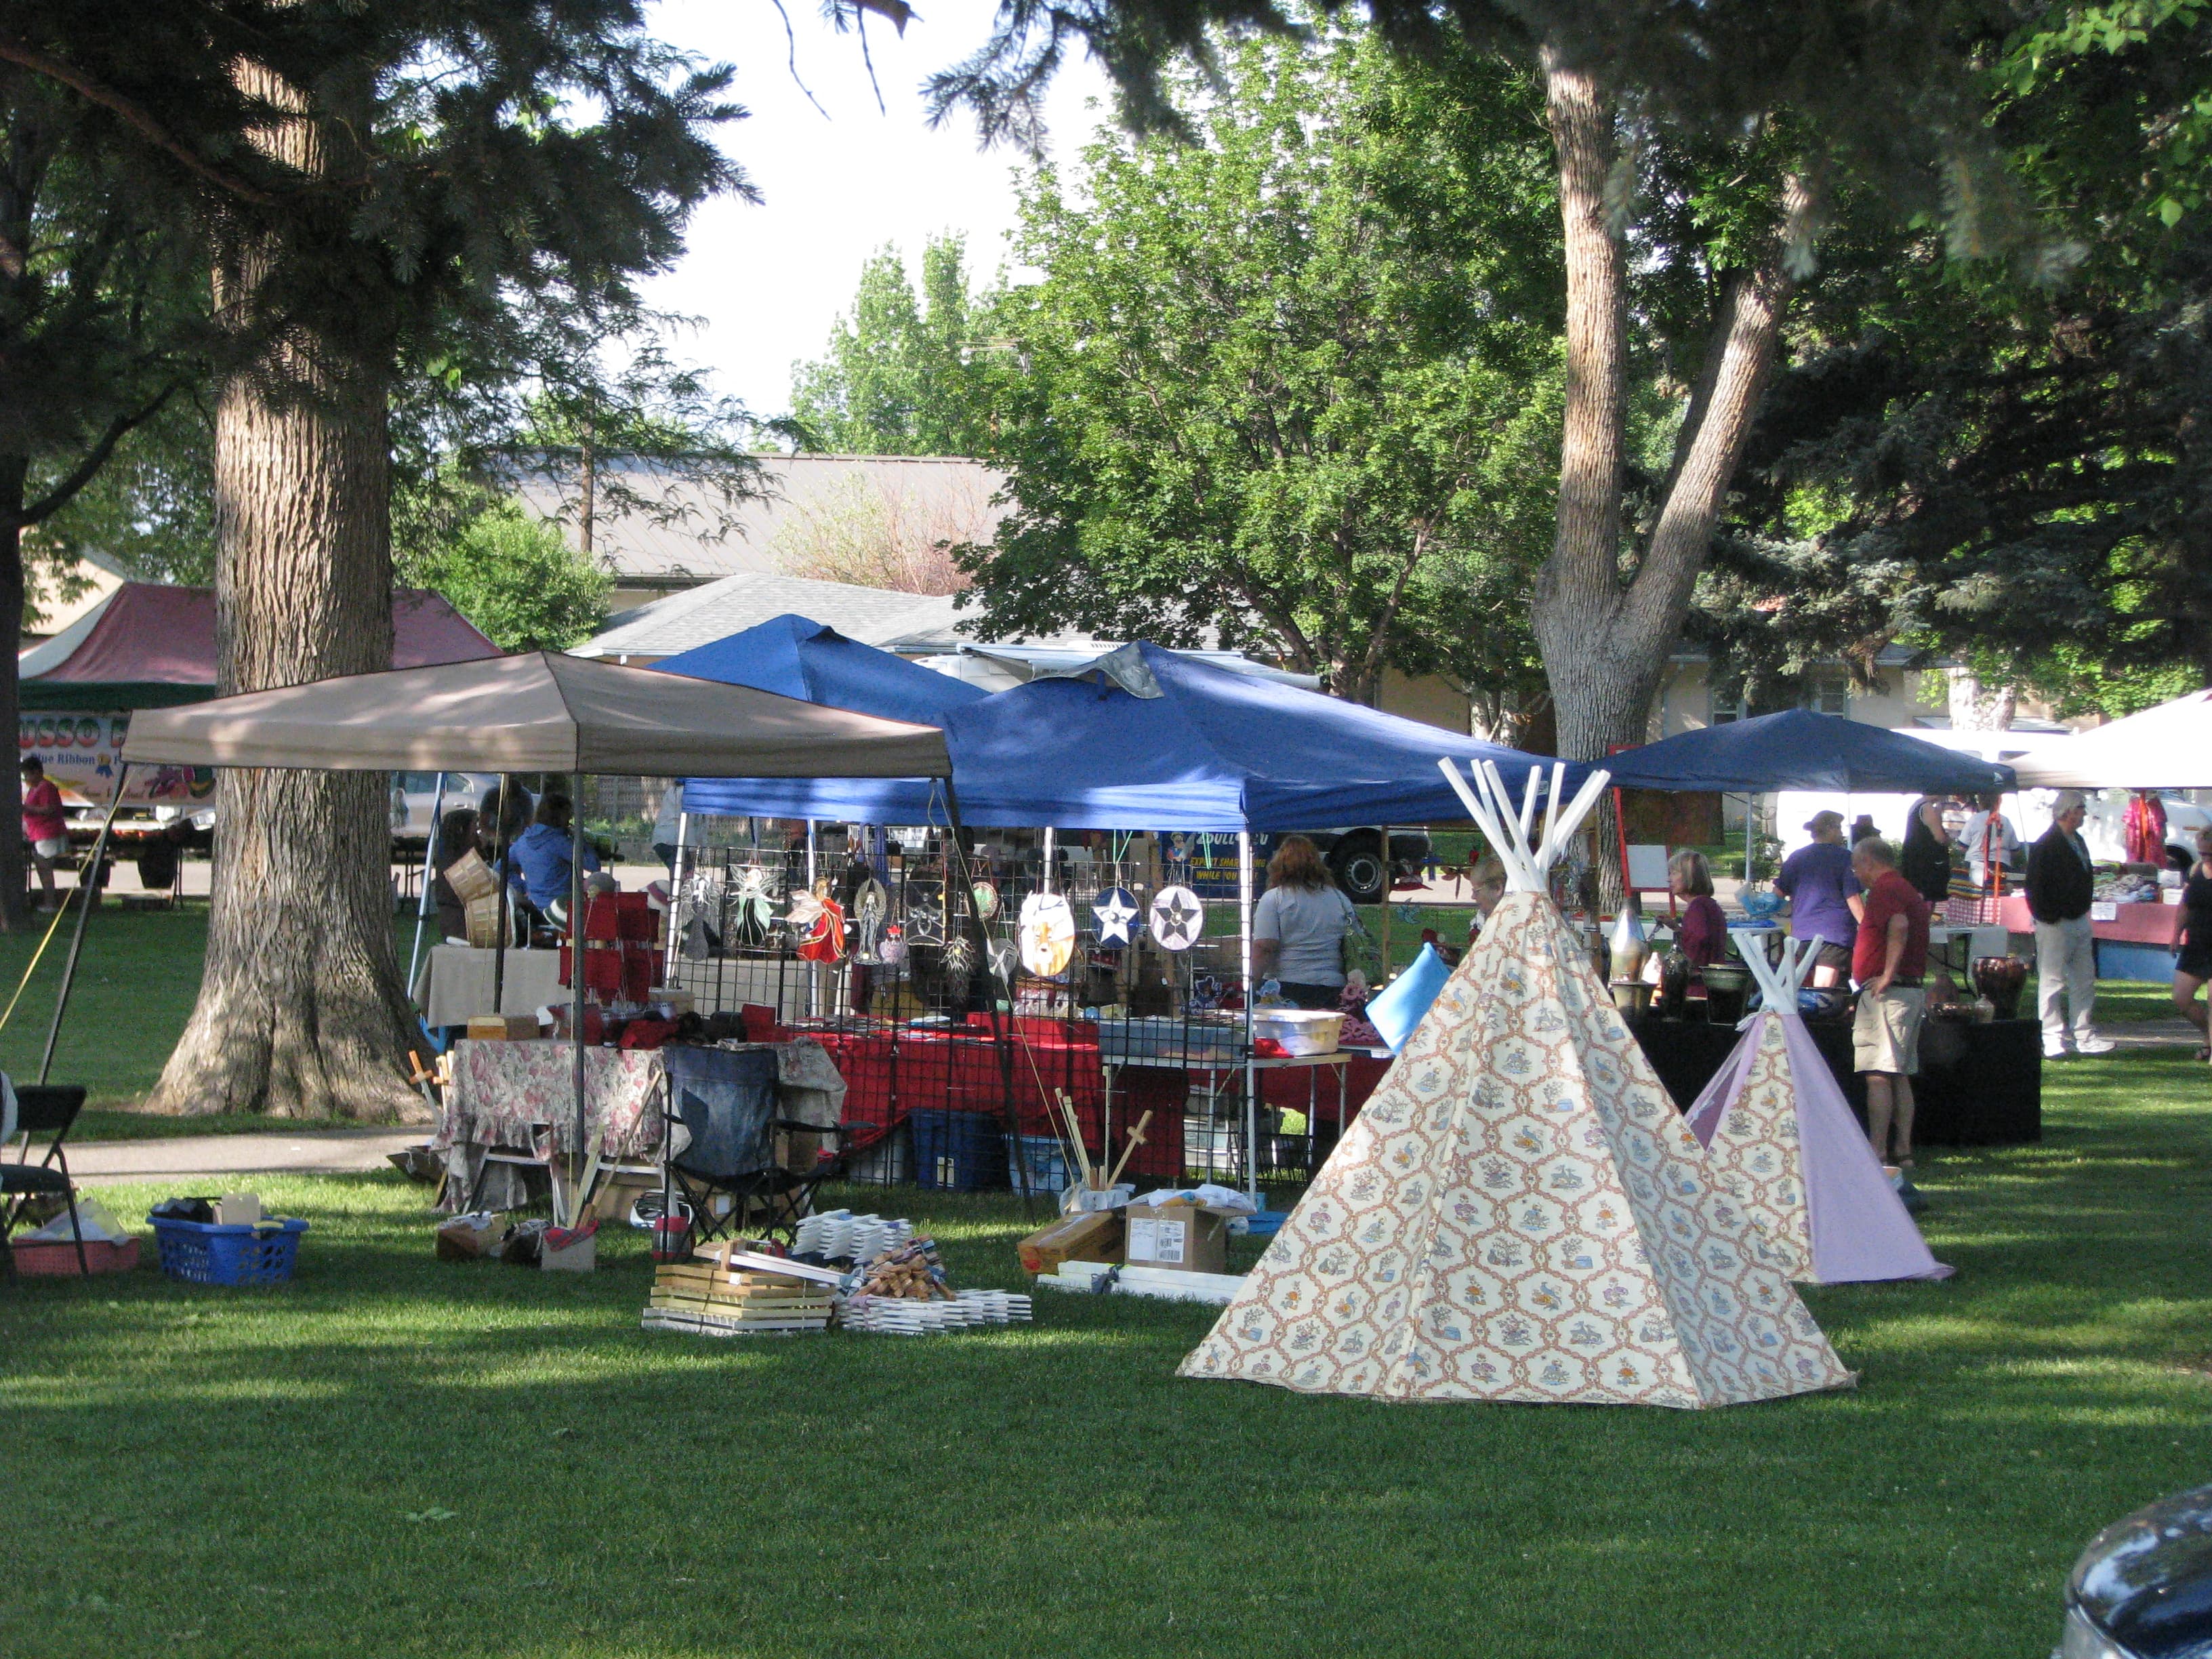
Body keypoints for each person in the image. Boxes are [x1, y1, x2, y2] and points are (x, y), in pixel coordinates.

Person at [1850, 836, 1931, 1169]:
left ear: (1869, 861)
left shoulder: (1886, 889)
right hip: (1906, 991)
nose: (1856, 874)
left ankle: (1878, 1150)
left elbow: (1898, 925)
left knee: (1878, 1073)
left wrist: (1886, 974)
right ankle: (1904, 1150)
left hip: (1890, 994)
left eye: (1857, 866)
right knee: (1899, 1072)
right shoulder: (1903, 887)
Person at [2026, 789, 2112, 1059]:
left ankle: (2084, 1034)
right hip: (2056, 923)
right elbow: (2034, 888)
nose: (2085, 813)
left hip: (2079, 920)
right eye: (2081, 808)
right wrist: (2049, 916)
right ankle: (2051, 1037)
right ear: (2068, 811)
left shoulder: (2079, 841)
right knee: (2052, 981)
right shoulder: (2046, 845)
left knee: (2084, 980)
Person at [1252, 834, 1357, 1010]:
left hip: (1286, 987)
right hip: (1333, 987)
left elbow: (1265, 946)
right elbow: (1353, 940)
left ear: (1279, 865)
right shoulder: (1339, 898)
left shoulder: (1274, 898)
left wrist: (1248, 984)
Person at [1774, 810, 1861, 987]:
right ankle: (1819, 1014)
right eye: (1840, 829)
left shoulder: (1796, 857)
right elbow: (1853, 897)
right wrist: (1867, 925)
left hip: (1802, 933)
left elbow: (1778, 893)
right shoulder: (1845, 858)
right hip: (1834, 932)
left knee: (1805, 981)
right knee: (1824, 989)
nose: (1842, 834)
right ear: (1831, 830)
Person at [502, 792, 600, 931]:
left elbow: (500, 867)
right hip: (563, 910)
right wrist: (580, 839)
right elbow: (594, 865)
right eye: (568, 813)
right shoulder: (560, 843)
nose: (570, 818)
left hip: (535, 908)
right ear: (559, 815)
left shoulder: (522, 842)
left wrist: (523, 887)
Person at [2171, 828, 2212, 1060]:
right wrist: (2176, 934)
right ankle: (2207, 1036)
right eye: (2202, 853)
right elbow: (2185, 905)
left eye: (2209, 854)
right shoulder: (2195, 871)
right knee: (2181, 998)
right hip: (2196, 944)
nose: (2205, 857)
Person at [19, 757, 66, 912]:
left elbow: (49, 809)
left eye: (28, 775)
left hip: (47, 833)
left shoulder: (46, 787)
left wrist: (27, 808)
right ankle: (48, 901)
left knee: (44, 868)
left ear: (37, 772)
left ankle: (50, 903)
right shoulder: (35, 788)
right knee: (41, 868)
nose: (26, 779)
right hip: (37, 833)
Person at [1669, 848, 1727, 968]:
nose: (1669, 879)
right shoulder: (1710, 904)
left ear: (1689, 876)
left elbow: (1699, 939)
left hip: (1697, 982)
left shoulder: (1697, 908)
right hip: (1711, 978)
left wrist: (1685, 967)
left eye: (1674, 873)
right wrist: (1676, 928)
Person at [431, 806, 480, 941]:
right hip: (462, 926)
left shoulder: (450, 856)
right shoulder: (456, 863)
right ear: (461, 830)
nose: (477, 833)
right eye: (474, 829)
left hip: (461, 923)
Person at [1899, 796, 1954, 905]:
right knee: (1927, 899)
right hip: (1927, 863)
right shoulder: (1927, 807)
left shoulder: (1916, 805)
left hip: (1913, 860)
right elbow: (1939, 837)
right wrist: (1951, 840)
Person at [1961, 793, 2020, 889]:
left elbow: (1963, 845)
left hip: (1975, 862)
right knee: (1997, 892)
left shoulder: (1974, 819)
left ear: (1980, 802)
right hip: (2000, 863)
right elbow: (2015, 849)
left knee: (1976, 893)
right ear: (1999, 802)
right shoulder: (2005, 821)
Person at [653, 779, 686, 876]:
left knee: (677, 875)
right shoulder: (687, 794)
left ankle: (675, 889)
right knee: (680, 875)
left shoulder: (671, 791)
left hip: (660, 839)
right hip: (675, 840)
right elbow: (692, 823)